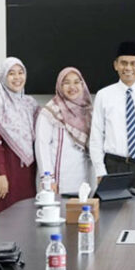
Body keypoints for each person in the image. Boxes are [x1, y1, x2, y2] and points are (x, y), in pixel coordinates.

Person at [90, 41, 135, 188]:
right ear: (116, 65)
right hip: (113, 166)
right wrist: (100, 171)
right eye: (123, 63)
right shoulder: (103, 95)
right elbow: (96, 137)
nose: (128, 68)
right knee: (113, 210)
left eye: (133, 63)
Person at [0, 58, 39, 217]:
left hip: (27, 173)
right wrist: (1, 175)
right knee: (5, 219)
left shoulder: (31, 105)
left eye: (21, 73)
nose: (17, 78)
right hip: (6, 172)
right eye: (11, 73)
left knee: (27, 217)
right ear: (3, 77)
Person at [36, 67, 95, 195]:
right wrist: (48, 179)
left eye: (76, 82)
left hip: (84, 179)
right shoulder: (50, 111)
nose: (72, 86)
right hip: (59, 181)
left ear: (82, 84)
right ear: (59, 86)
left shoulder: (88, 111)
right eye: (66, 82)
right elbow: (42, 146)